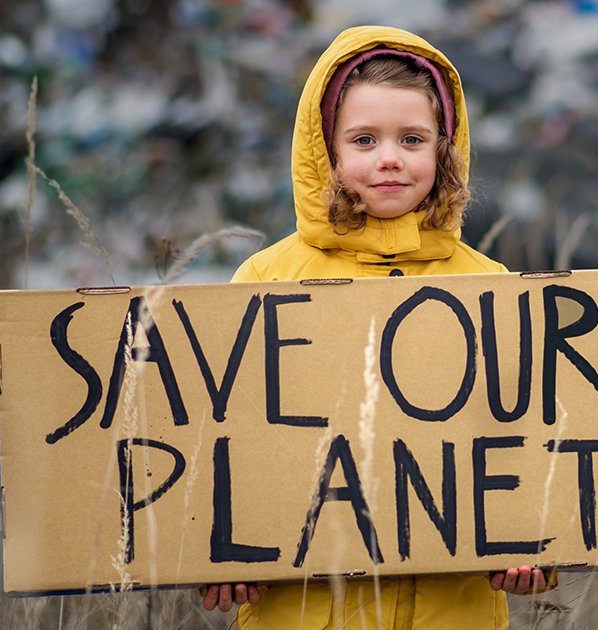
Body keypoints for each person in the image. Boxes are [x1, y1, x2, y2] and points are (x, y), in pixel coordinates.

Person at [202, 25, 551, 628]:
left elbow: (525, 439)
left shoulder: (491, 283)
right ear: (326, 151)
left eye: (412, 139)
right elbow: (227, 440)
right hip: (306, 611)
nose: (389, 157)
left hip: (455, 610)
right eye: (364, 139)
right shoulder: (267, 278)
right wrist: (223, 553)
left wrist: (538, 549)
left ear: (444, 149)